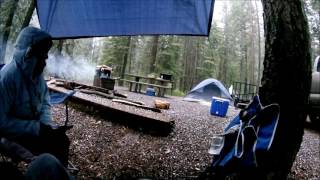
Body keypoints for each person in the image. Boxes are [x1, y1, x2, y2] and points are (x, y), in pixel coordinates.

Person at [0, 26, 70, 166]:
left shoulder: (37, 78)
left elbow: (44, 103)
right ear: (29, 54)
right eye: (42, 55)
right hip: (12, 136)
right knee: (53, 147)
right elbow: (1, 122)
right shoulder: (7, 78)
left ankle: (56, 172)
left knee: (61, 139)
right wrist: (36, 128)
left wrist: (46, 125)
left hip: (34, 131)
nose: (45, 60)